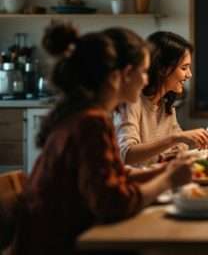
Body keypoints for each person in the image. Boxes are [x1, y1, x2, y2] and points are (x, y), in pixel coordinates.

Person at [11, 24, 192, 254]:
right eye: (144, 72)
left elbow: (113, 178)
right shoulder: (91, 123)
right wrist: (168, 181)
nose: (147, 80)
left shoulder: (84, 115)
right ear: (124, 75)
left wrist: (166, 171)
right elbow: (114, 204)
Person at [115, 31, 208, 166]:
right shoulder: (132, 103)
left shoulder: (166, 104)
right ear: (162, 69)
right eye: (184, 68)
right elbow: (126, 154)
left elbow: (180, 146)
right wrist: (174, 139)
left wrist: (175, 145)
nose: (189, 75)